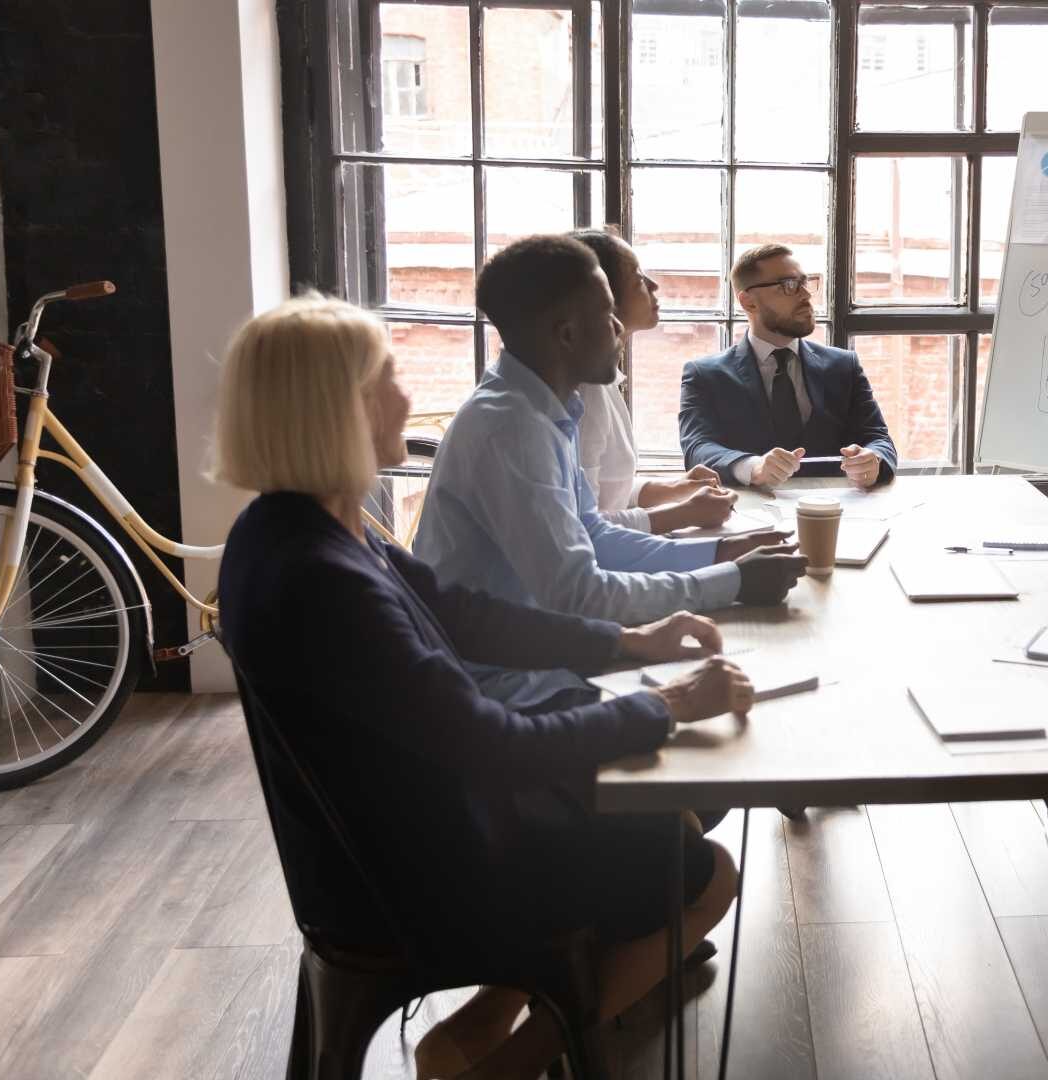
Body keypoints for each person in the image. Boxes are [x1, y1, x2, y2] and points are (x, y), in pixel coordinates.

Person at [213, 294, 756, 1080]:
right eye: (390, 376)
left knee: (668, 810)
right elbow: (488, 744)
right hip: (417, 872)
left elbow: (463, 615)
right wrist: (664, 706)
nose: (407, 393)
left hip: (388, 839)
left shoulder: (298, 529)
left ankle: (474, 1035)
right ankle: (496, 1068)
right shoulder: (322, 577)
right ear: (341, 407)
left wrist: (627, 640)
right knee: (703, 873)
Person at [413, 234, 808, 711]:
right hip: (515, 688)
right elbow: (581, 595)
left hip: (555, 658)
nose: (620, 326)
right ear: (566, 335)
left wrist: (720, 554)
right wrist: (734, 581)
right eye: (606, 314)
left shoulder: (545, 409)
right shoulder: (512, 429)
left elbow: (592, 532)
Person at [679, 243, 898, 489]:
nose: (805, 295)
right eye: (789, 285)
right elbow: (698, 449)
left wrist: (874, 459)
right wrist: (753, 467)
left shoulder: (843, 366)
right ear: (749, 302)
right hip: (747, 519)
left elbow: (878, 439)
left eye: (805, 283)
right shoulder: (704, 375)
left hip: (836, 514)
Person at [568, 226, 736, 533]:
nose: (653, 284)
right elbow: (581, 526)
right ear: (604, 294)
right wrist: (685, 514)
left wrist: (673, 488)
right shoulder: (583, 390)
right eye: (638, 277)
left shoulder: (602, 379)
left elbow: (606, 490)